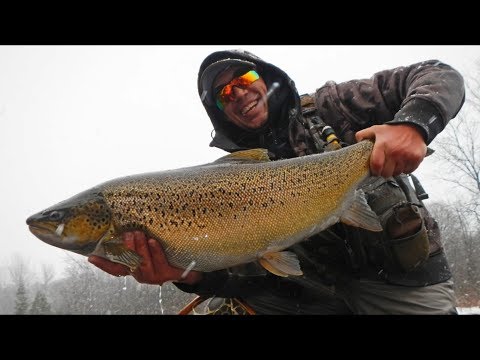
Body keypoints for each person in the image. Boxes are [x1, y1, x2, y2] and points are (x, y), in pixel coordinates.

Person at [89, 49, 465, 314]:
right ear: (219, 112)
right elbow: (242, 276)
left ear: (265, 79)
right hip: (312, 295)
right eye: (223, 95)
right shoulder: (226, 175)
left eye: (244, 79)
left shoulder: (333, 105)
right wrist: (187, 274)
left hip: (404, 279)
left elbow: (438, 74)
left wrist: (414, 124)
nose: (238, 93)